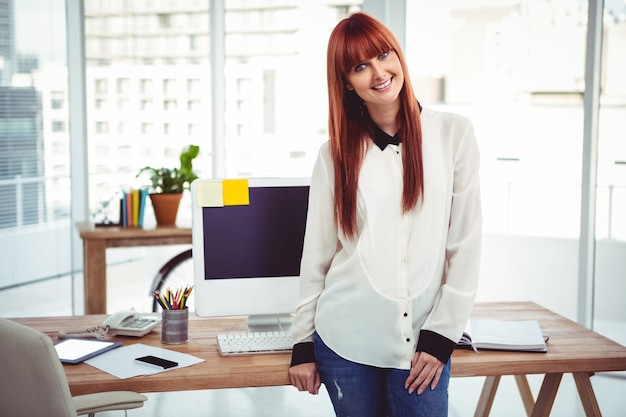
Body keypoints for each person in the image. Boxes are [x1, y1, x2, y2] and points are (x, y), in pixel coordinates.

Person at [288, 11, 482, 417]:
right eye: (360, 66)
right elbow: (318, 254)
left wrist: (442, 335)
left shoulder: (454, 135)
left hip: (424, 344)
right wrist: (302, 343)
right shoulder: (334, 155)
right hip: (345, 342)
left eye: (383, 55)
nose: (379, 72)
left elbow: (465, 245)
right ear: (346, 82)